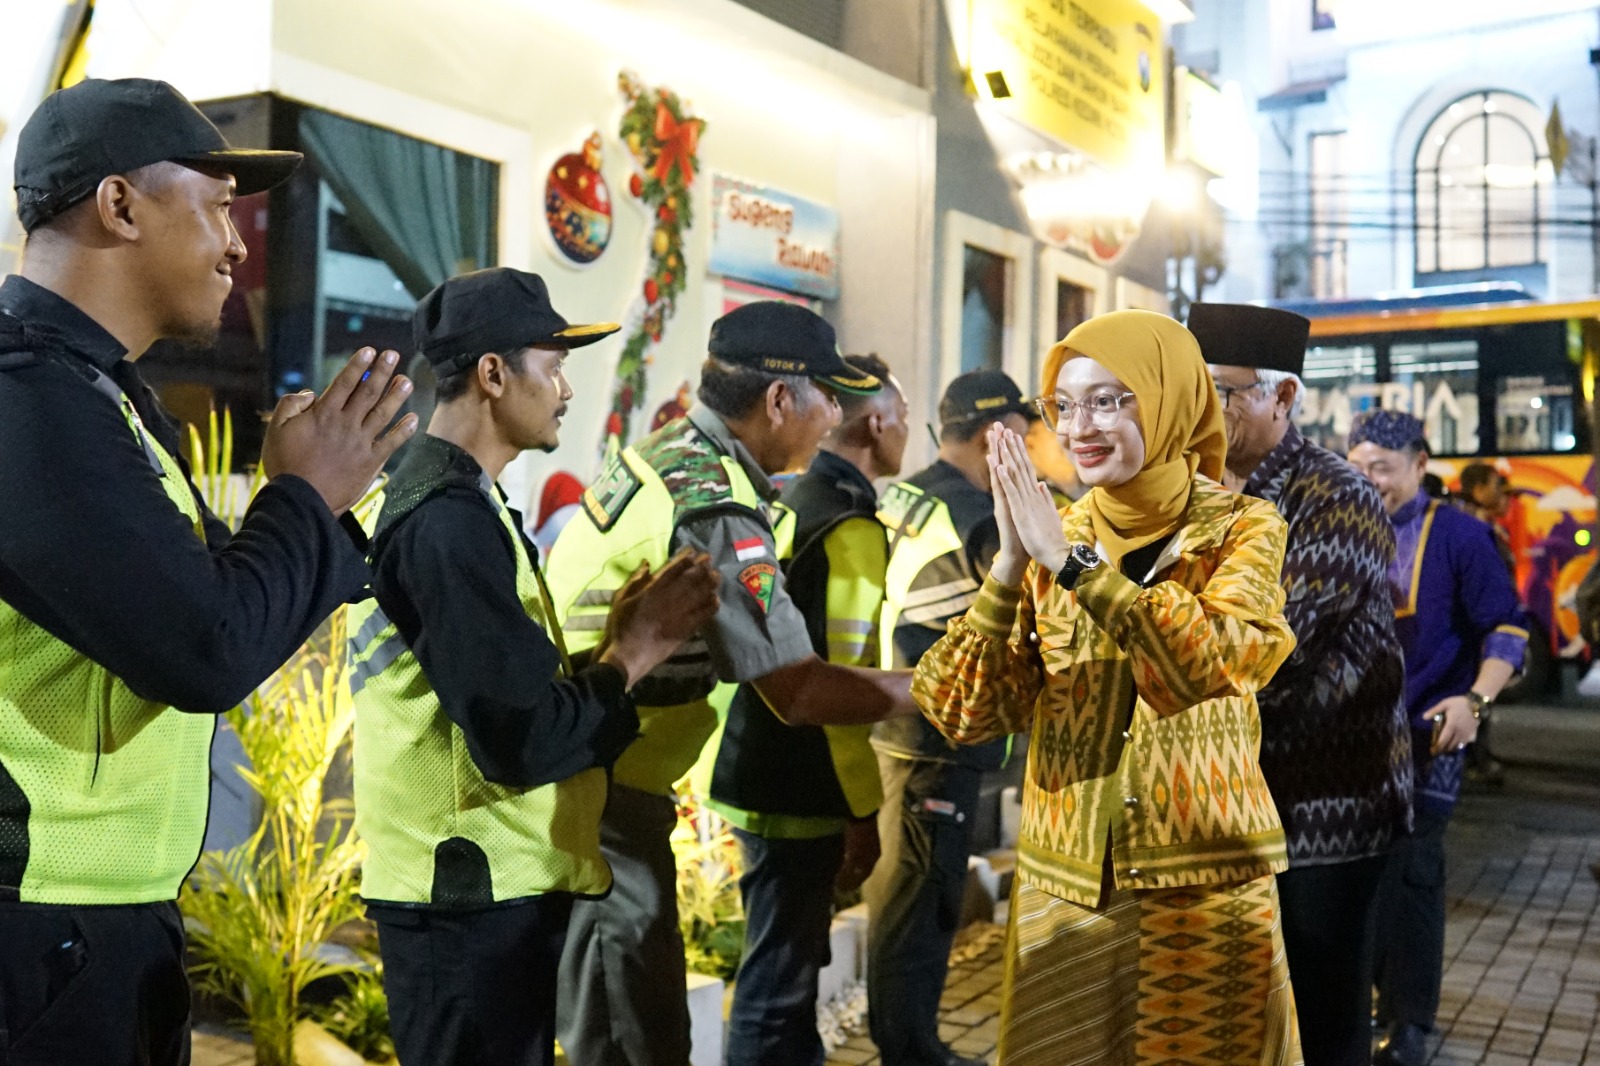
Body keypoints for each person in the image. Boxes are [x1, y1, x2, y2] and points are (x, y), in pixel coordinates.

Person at [0, 77, 417, 1064]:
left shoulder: (100, 397)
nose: (239, 246)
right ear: (119, 205)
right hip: (39, 932)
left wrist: (307, 504)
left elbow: (208, 612)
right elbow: (206, 649)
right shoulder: (30, 398)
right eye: (219, 208)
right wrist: (306, 500)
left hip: (94, 918)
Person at [346, 268, 721, 1066]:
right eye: (551, 367)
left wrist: (607, 649)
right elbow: (518, 737)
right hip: (466, 896)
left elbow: (494, 689)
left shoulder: (457, 503)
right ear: (492, 374)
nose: (565, 391)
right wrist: (635, 652)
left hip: (476, 889)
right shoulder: (445, 522)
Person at [915, 310, 1303, 1066]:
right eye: (1063, 404)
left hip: (1205, 887)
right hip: (1068, 892)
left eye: (1109, 400)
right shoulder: (1046, 532)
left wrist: (1076, 569)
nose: (1079, 426)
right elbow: (959, 711)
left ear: (1168, 402)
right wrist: (1007, 565)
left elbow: (1206, 664)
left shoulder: (1242, 528)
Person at [546, 301, 919, 1066]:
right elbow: (797, 691)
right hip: (603, 793)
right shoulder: (715, 506)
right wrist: (943, 686)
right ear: (780, 400)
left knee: (621, 1018)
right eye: (829, 399)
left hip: (590, 775)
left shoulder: (668, 453)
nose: (834, 420)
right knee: (636, 1036)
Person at [1191, 302, 1412, 1066]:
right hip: (1222, 800)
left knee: (1320, 1016)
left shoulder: (1334, 496)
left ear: (1282, 398)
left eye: (1221, 391)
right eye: (1191, 388)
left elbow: (1263, 649)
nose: (1201, 410)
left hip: (1324, 807)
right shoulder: (1185, 489)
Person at [696, 353, 908, 1065]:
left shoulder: (788, 502)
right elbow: (836, 687)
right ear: (878, 426)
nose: (909, 432)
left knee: (783, 973)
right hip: (802, 784)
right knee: (779, 984)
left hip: (755, 761)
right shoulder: (849, 527)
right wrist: (861, 810)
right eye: (905, 419)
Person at [1346, 410, 1527, 1066]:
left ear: (1421, 464)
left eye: (1383, 469)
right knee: (1357, 875)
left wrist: (1475, 699)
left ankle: (1410, 1019)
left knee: (1415, 873)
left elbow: (1505, 628)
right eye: (1358, 466)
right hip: (1350, 742)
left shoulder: (1458, 537)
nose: (1368, 481)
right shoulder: (1337, 526)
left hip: (1430, 735)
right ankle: (1367, 1001)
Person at [864, 368, 1032, 1066]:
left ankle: (906, 1042)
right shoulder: (976, 513)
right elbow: (1035, 613)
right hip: (936, 734)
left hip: (896, 725)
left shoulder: (912, 493)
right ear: (998, 433)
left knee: (902, 895)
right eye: (1023, 434)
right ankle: (912, 1052)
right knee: (921, 904)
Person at [1454, 461, 1513, 783]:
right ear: (1477, 489)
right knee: (1474, 689)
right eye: (1494, 485)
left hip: (1481, 621)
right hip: (1472, 625)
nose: (1500, 492)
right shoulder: (1468, 524)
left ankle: (1478, 754)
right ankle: (1473, 758)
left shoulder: (1476, 521)